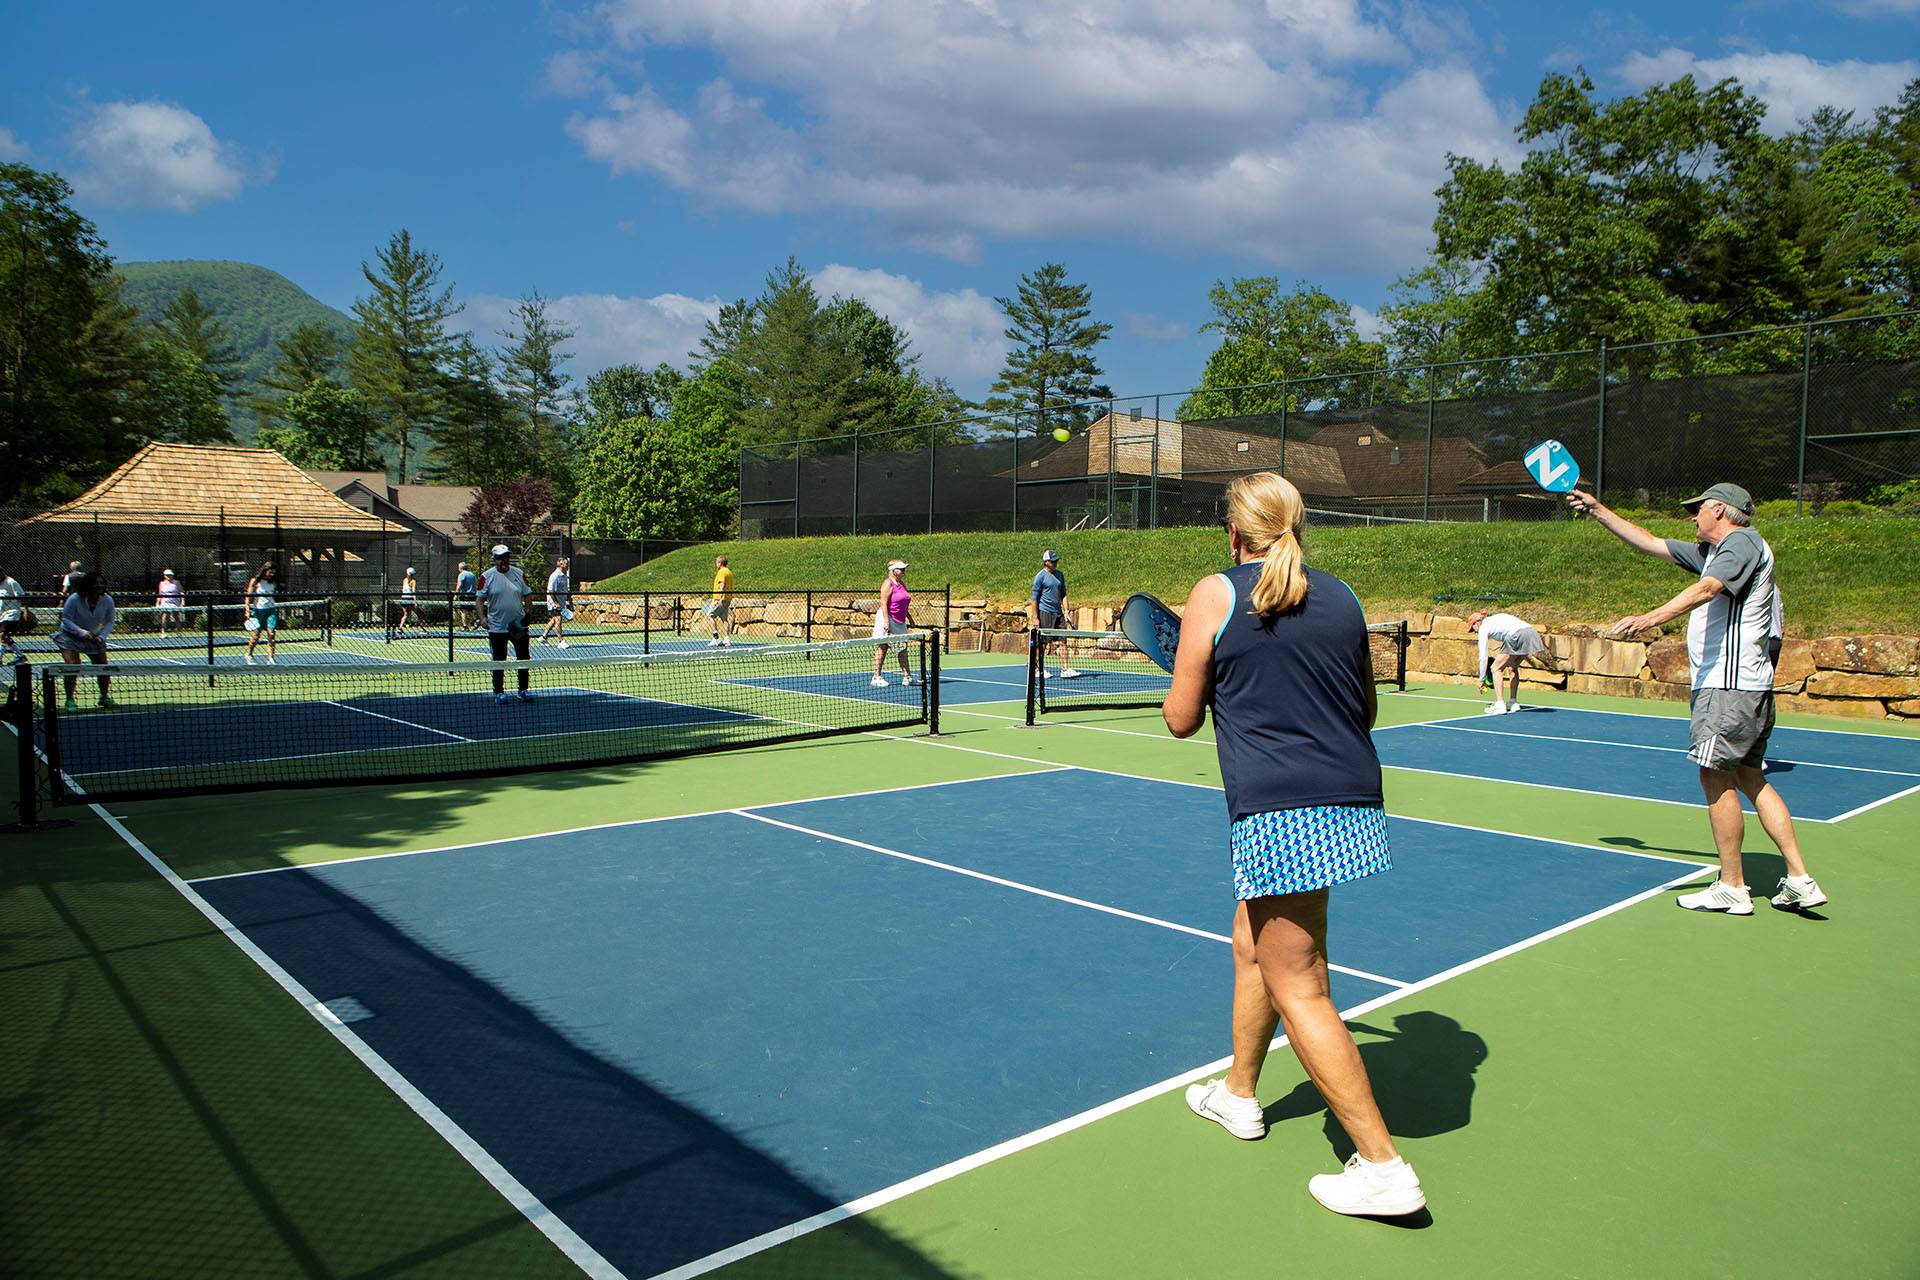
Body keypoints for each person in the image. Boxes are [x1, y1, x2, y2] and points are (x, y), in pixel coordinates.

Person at [1166, 472, 1425, 1218]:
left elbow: (1180, 719)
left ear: (1233, 533)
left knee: (1300, 981)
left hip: (1281, 811)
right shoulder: (1342, 596)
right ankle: (1239, 1093)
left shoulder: (1215, 593)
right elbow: (1363, 708)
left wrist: (1205, 681)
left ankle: (1382, 1166)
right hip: (1351, 800)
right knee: (1254, 943)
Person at [1567, 483, 1825, 914]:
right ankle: (1800, 878)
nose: (1693, 516)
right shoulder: (1717, 552)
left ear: (1720, 510)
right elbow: (1649, 542)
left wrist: (1649, 618)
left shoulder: (1741, 543)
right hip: (1747, 687)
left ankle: (1732, 886)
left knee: (1714, 778)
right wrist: (1597, 510)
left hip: (1727, 688)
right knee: (1750, 778)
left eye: (1699, 508)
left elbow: (1707, 590)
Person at [477, 543, 534, 704]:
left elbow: (528, 595)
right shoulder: (486, 577)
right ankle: (499, 692)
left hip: (518, 626)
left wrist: (528, 613)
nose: (504, 561)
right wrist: (482, 618)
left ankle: (523, 690)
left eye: (506, 557)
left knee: (523, 659)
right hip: (497, 627)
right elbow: (479, 599)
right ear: (494, 559)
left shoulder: (519, 574)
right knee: (498, 660)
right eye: (500, 558)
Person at [55, 570, 117, 711]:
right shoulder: (74, 599)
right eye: (95, 583)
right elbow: (66, 619)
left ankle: (104, 697)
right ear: (88, 585)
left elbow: (110, 621)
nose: (99, 586)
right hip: (70, 635)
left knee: (102, 666)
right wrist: (82, 633)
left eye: (101, 583)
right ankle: (69, 700)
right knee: (73, 666)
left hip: (94, 636)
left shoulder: (107, 600)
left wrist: (101, 637)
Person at [1466, 610, 1546, 715]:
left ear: (1477, 623)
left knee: (1495, 668)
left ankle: (1499, 704)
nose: (1475, 632)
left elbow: (1483, 656)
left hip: (1516, 635)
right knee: (1513, 667)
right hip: (1531, 633)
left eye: (1473, 629)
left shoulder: (1483, 627)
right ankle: (1513, 702)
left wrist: (1481, 679)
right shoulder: (1496, 619)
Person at [1027, 549, 1081, 680]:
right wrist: (1035, 618)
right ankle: (1037, 669)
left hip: (1059, 614)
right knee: (1043, 643)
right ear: (1046, 562)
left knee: (1063, 641)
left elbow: (1064, 594)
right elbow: (1034, 599)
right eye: (1053, 561)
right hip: (1045, 612)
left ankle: (1065, 669)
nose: (1056, 563)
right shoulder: (1040, 577)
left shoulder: (1060, 575)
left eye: (1056, 561)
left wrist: (1066, 611)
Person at [870, 559, 919, 688]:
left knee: (902, 647)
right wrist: (886, 622)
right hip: (887, 618)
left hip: (899, 620)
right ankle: (876, 677)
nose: (903, 571)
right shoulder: (887, 584)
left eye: (904, 569)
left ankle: (907, 677)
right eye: (901, 569)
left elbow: (904, 603)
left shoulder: (901, 583)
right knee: (883, 646)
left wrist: (910, 618)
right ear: (893, 571)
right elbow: (883, 604)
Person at [241, 562, 282, 665]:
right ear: (265, 570)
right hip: (259, 610)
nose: (272, 574)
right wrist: (247, 609)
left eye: (273, 572)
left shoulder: (273, 582)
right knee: (257, 635)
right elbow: (248, 596)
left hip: (271, 610)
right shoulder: (255, 581)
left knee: (271, 633)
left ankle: (270, 658)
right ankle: (249, 654)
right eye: (270, 572)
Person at [540, 557, 572, 648]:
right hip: (554, 603)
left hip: (561, 603)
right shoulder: (555, 576)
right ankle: (560, 641)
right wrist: (555, 603)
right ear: (560, 565)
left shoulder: (564, 575)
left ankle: (543, 636)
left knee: (554, 620)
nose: (568, 566)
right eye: (566, 564)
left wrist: (565, 601)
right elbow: (550, 590)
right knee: (558, 620)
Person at [704, 555, 735, 647]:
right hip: (727, 599)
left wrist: (720, 598)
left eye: (716, 563)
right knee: (724, 619)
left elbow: (722, 585)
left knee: (710, 615)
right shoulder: (729, 572)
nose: (716, 565)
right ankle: (727, 639)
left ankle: (716, 639)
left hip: (719, 599)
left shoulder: (721, 572)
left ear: (720, 563)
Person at [154, 568, 187, 639]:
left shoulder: (176, 583)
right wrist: (157, 603)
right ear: (164, 576)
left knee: (176, 616)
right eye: (167, 575)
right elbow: (160, 594)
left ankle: (179, 633)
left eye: (170, 575)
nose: (169, 576)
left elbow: (181, 592)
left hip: (175, 602)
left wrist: (182, 601)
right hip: (165, 602)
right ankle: (163, 633)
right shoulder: (162, 583)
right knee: (164, 616)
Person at [1, 565, 25, 660]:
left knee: (2, 635)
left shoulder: (11, 582)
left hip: (12, 613)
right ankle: (20, 655)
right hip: (2, 614)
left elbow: (22, 596)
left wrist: (26, 611)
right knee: (4, 637)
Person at [396, 567, 422, 636]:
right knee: (419, 613)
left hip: (403, 598)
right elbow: (413, 591)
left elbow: (403, 590)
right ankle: (422, 627)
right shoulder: (413, 581)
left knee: (406, 614)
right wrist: (415, 601)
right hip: (409, 599)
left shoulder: (404, 580)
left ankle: (400, 627)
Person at [454, 561, 478, 631]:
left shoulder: (461, 574)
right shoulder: (472, 574)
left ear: (460, 568)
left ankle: (465, 626)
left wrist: (455, 595)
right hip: (473, 595)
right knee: (470, 610)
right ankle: (475, 621)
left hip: (465, 595)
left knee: (463, 611)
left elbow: (459, 585)